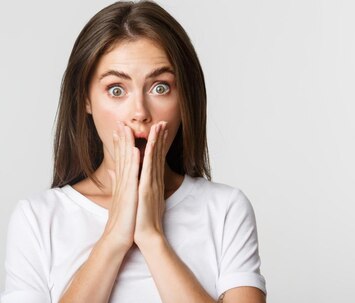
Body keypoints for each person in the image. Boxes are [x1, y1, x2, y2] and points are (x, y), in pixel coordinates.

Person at [0, 1, 267, 302]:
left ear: (185, 99)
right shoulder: (38, 219)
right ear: (86, 99)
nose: (140, 113)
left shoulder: (226, 210)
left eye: (160, 87)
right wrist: (114, 237)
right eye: (116, 89)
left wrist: (152, 238)